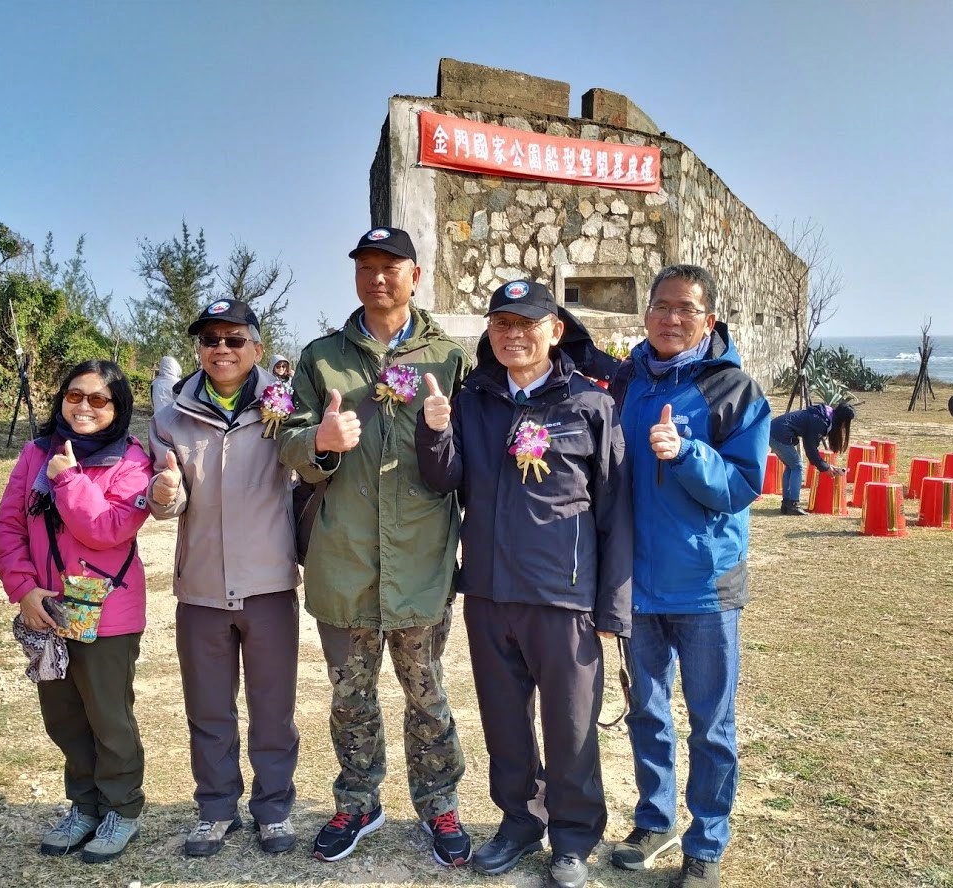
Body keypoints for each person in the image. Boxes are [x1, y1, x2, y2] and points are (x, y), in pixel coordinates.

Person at [415, 280, 632, 888]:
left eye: (528, 323)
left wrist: (614, 606)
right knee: (504, 723)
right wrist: (434, 430)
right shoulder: (473, 398)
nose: (514, 334)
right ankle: (517, 822)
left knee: (571, 727)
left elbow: (616, 512)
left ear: (555, 330)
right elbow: (444, 481)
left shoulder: (591, 404)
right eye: (502, 323)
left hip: (564, 598)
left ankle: (571, 837)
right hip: (487, 592)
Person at [277, 226, 473, 866]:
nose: (378, 277)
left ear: (416, 274)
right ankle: (357, 800)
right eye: (366, 266)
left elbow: (466, 460)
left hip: (420, 562)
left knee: (428, 693)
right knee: (349, 696)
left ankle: (439, 804)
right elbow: (290, 446)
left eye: (391, 266)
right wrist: (321, 441)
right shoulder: (321, 358)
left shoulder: (450, 360)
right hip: (345, 562)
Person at [609, 265, 770, 888]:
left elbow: (743, 484)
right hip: (638, 584)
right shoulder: (626, 380)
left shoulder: (733, 388)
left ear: (708, 320)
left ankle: (705, 841)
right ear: (645, 314)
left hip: (706, 585)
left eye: (686, 310)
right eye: (661, 307)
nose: (671, 319)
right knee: (646, 712)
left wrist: (688, 455)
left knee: (712, 723)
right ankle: (655, 818)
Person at [147, 298, 301, 857]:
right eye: (211, 340)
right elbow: (166, 500)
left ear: (257, 348)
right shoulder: (170, 419)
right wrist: (163, 495)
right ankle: (216, 809)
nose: (222, 350)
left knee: (272, 707)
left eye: (235, 340)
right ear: (199, 350)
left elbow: (309, 463)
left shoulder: (285, 406)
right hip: (203, 590)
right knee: (209, 708)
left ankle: (275, 809)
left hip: (268, 586)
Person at [0, 359, 153, 863]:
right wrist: (24, 591)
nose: (84, 406)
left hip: (109, 613)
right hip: (47, 612)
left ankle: (121, 810)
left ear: (118, 407)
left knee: (109, 718)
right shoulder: (34, 453)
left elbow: (107, 529)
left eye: (98, 399)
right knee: (63, 716)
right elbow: (8, 525)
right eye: (74, 396)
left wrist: (66, 479)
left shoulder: (132, 461)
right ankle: (84, 805)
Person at [767, 402, 854, 515]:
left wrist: (826, 466)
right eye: (845, 423)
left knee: (791, 466)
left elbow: (811, 446)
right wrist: (824, 467)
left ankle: (787, 504)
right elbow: (810, 448)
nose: (844, 427)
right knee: (797, 466)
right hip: (778, 434)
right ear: (842, 421)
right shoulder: (820, 421)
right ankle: (793, 504)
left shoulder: (823, 416)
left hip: (772, 431)